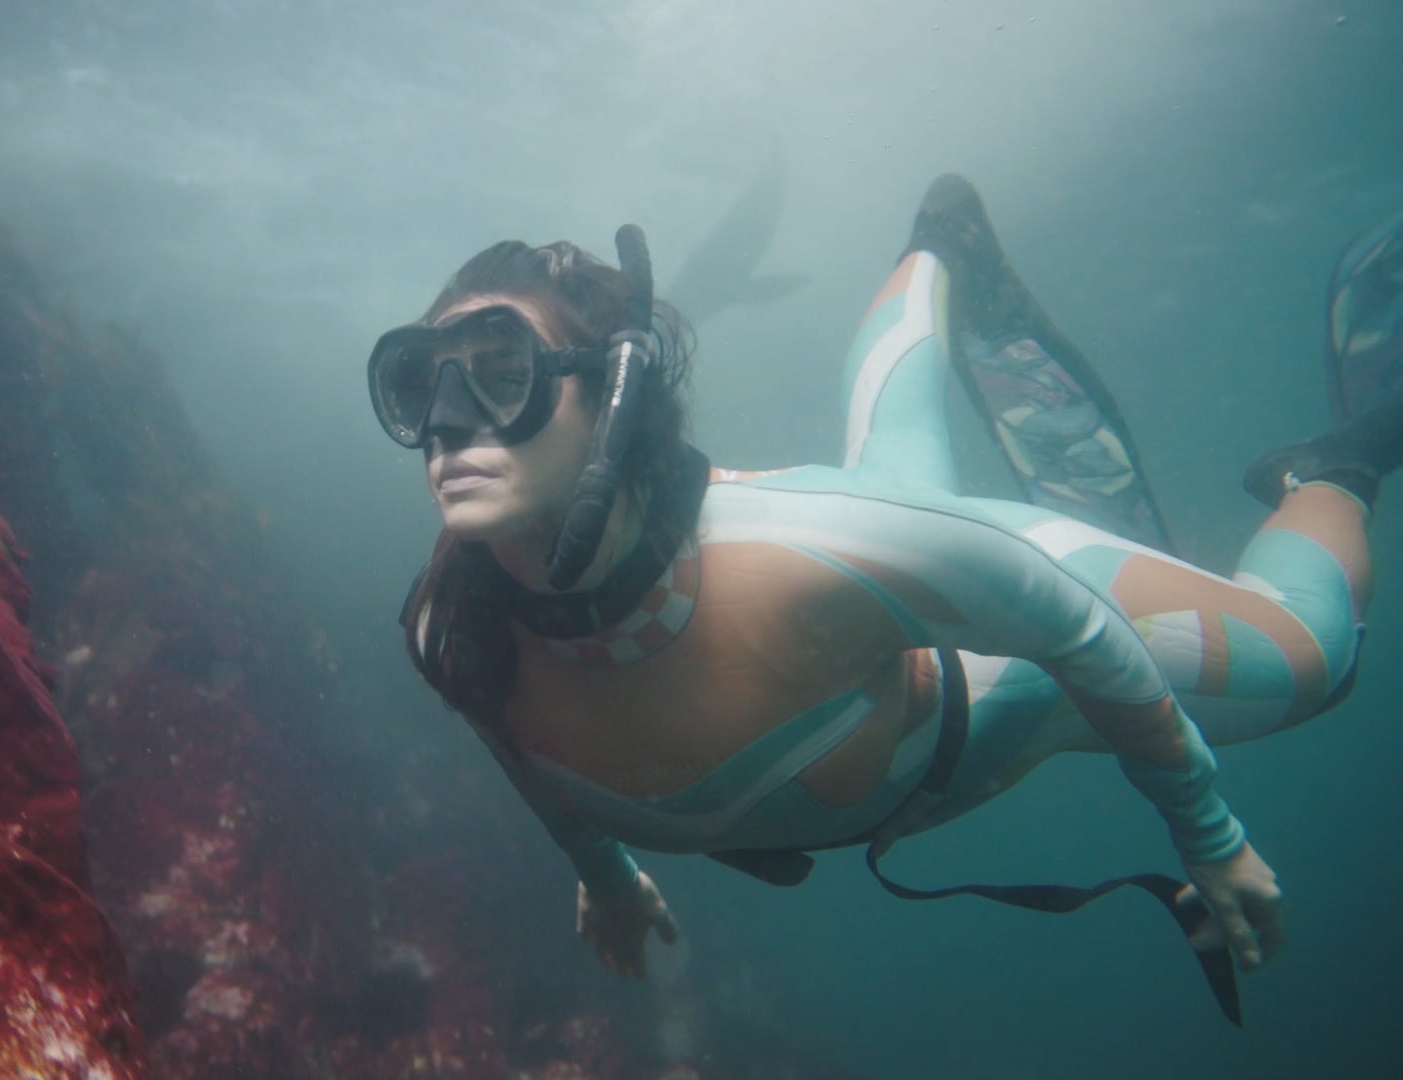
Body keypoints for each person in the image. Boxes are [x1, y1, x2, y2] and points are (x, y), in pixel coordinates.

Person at [369, 174, 1403, 1018]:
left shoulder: (814, 552)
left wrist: (1206, 832)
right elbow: (524, 750)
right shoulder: (448, 620)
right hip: (893, 611)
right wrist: (605, 876)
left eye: (501, 373)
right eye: (421, 384)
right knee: (901, 476)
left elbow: (1075, 628)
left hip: (994, 683)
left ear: (616, 393)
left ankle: (1332, 469)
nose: (449, 424)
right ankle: (938, 243)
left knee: (1310, 661)